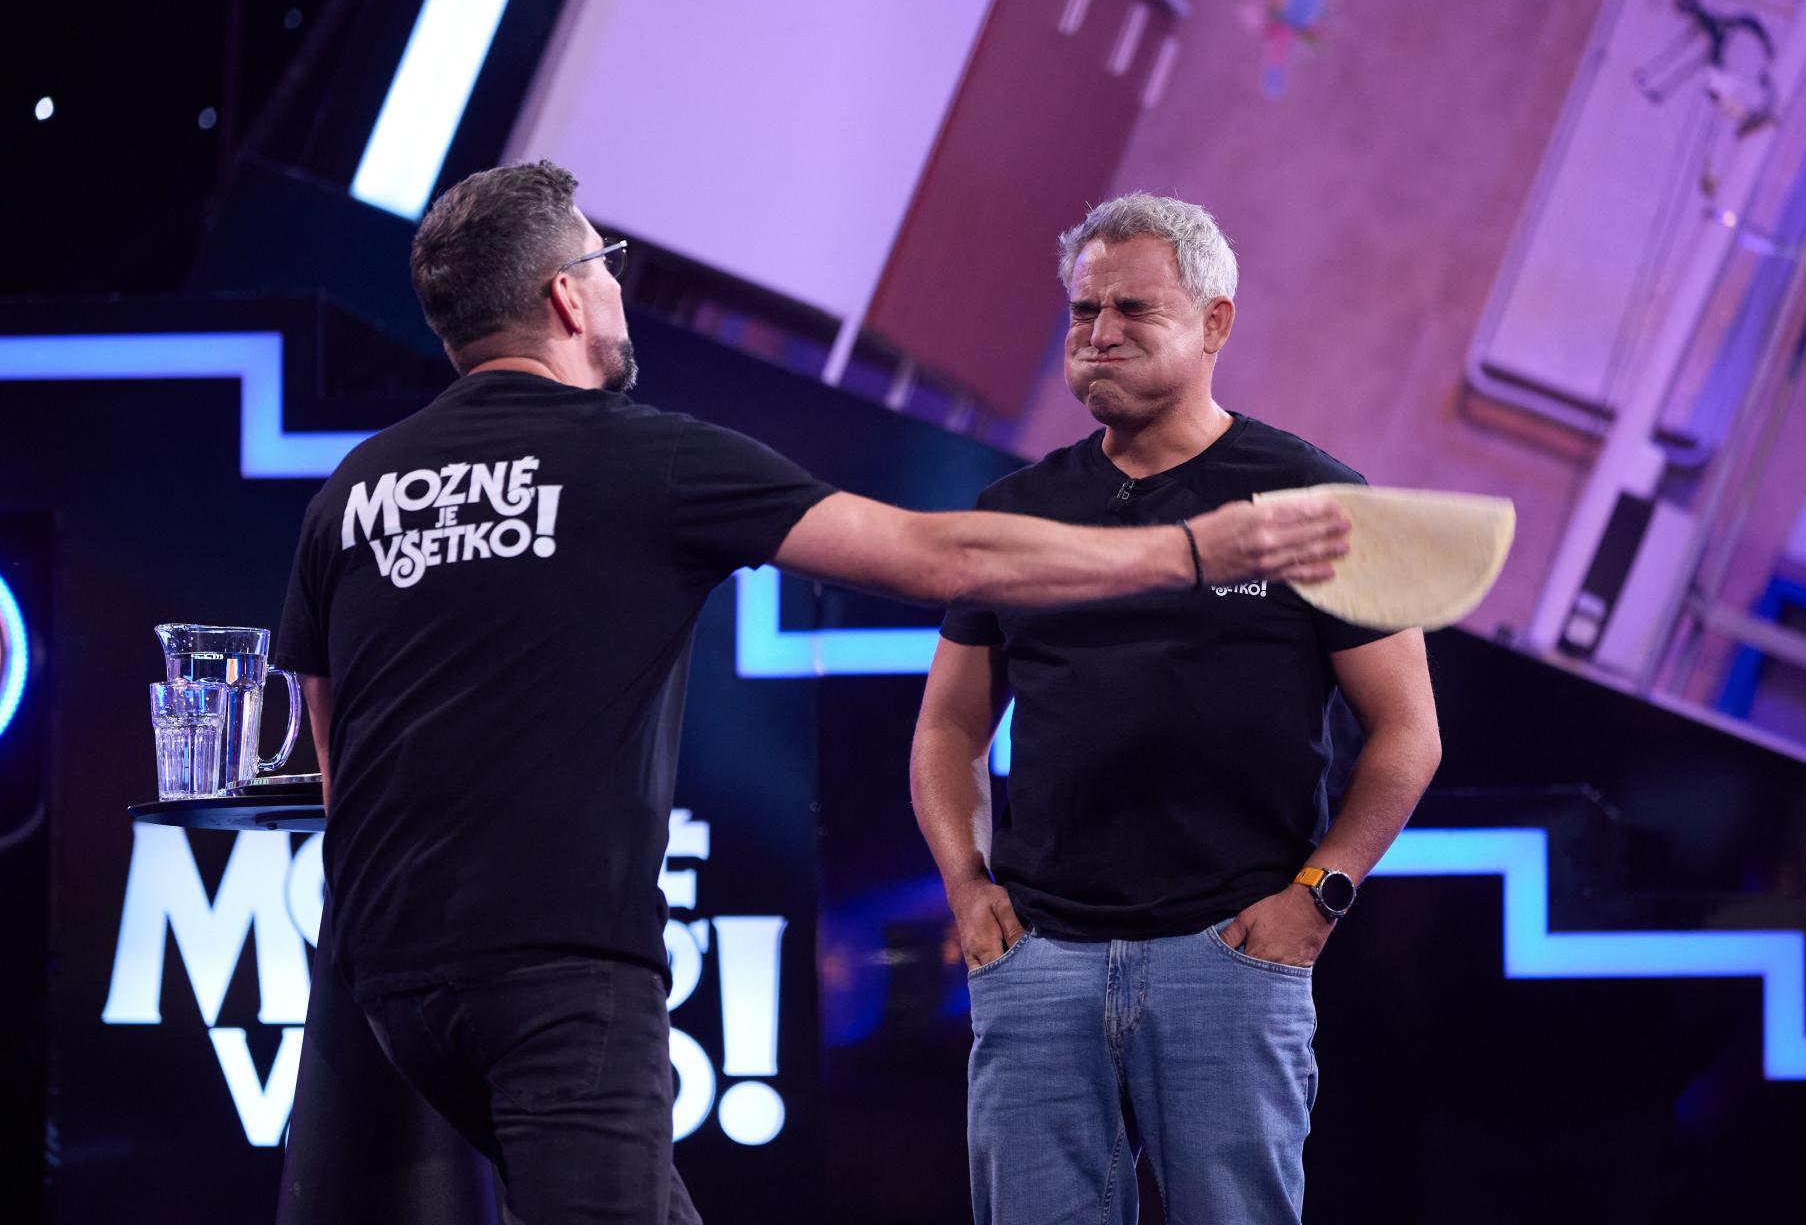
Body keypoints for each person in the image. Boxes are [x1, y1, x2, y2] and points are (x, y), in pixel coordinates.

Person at [274, 162, 1353, 1225]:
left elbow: (338, 758)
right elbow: (933, 558)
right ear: (565, 295)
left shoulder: (354, 489)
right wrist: (1187, 551)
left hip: (388, 981)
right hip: (558, 975)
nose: (615, 287)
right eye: (606, 265)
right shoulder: (644, 458)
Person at [911, 193, 1443, 1224]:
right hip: (1039, 961)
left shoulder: (1315, 499)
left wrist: (1318, 896)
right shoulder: (1016, 512)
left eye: (1132, 309)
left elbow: (1408, 730)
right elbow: (948, 726)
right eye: (1084, 311)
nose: (1099, 333)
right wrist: (968, 889)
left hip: (1230, 954)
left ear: (1214, 323)